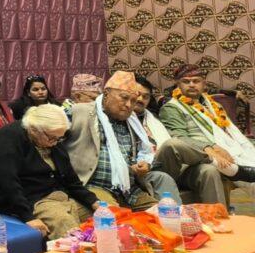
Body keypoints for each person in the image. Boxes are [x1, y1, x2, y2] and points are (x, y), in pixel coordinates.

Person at [63, 71, 180, 210]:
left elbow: (145, 152)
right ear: (106, 94)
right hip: (94, 186)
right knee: (114, 216)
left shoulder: (132, 121)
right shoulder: (80, 112)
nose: (129, 105)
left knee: (165, 214)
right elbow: (49, 138)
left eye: (133, 101)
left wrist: (144, 164)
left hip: (128, 189)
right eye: (124, 98)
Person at [0, 104, 99, 241]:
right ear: (33, 129)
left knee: (101, 217)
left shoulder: (52, 138)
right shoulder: (8, 138)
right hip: (28, 200)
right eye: (52, 138)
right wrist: (28, 217)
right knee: (64, 222)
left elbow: (70, 179)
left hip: (58, 197)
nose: (55, 143)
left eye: (60, 138)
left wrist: (93, 201)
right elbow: (9, 183)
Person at [155, 64, 255, 203]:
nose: (191, 85)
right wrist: (211, 147)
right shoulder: (171, 108)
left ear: (204, 84)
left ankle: (240, 171)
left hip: (228, 148)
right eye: (186, 81)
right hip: (193, 160)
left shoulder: (212, 104)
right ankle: (239, 172)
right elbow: (179, 137)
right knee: (211, 168)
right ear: (178, 85)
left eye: (196, 81)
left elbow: (228, 131)